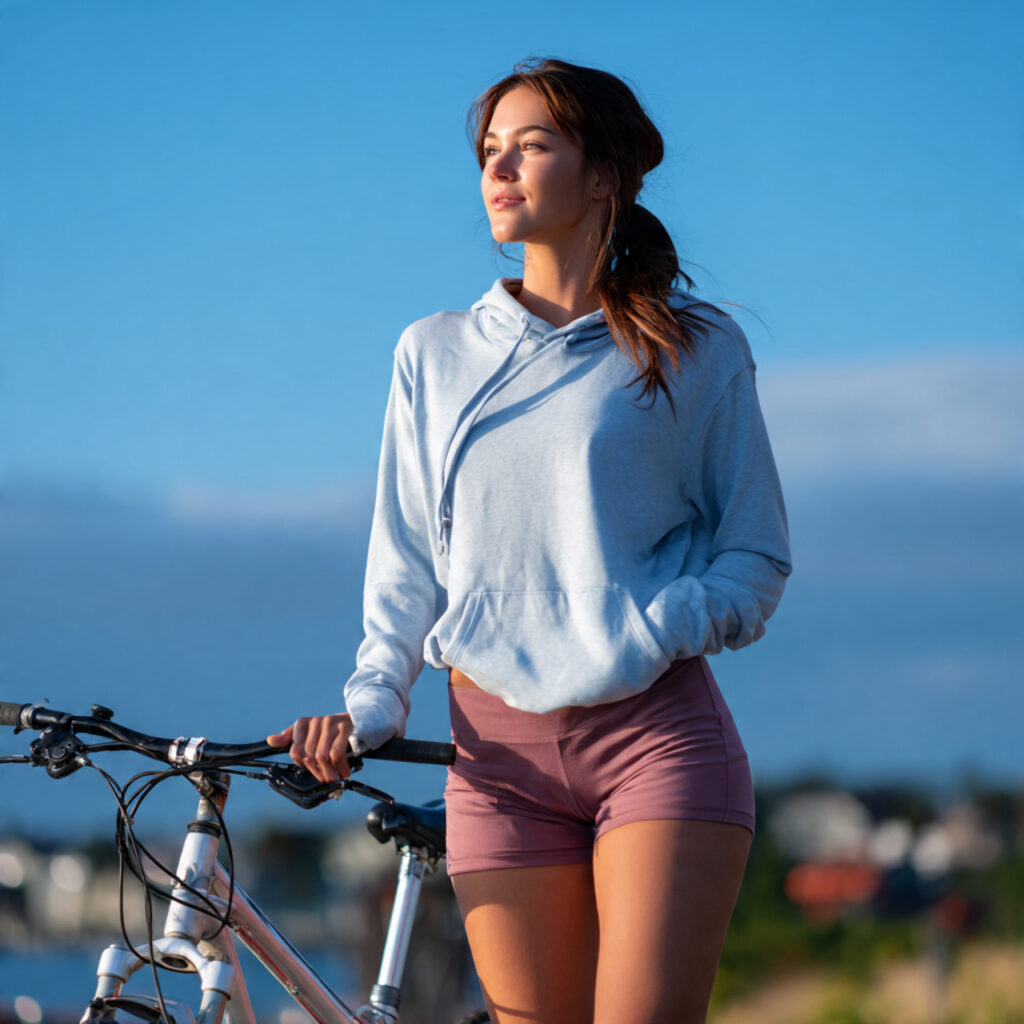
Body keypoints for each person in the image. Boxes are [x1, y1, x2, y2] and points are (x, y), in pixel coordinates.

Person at [268, 58, 791, 1024]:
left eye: (532, 145)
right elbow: (407, 565)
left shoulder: (694, 346)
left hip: (655, 737)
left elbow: (755, 553)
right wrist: (371, 704)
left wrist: (668, 620)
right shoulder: (432, 350)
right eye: (489, 152)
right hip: (493, 759)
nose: (500, 171)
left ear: (603, 176)